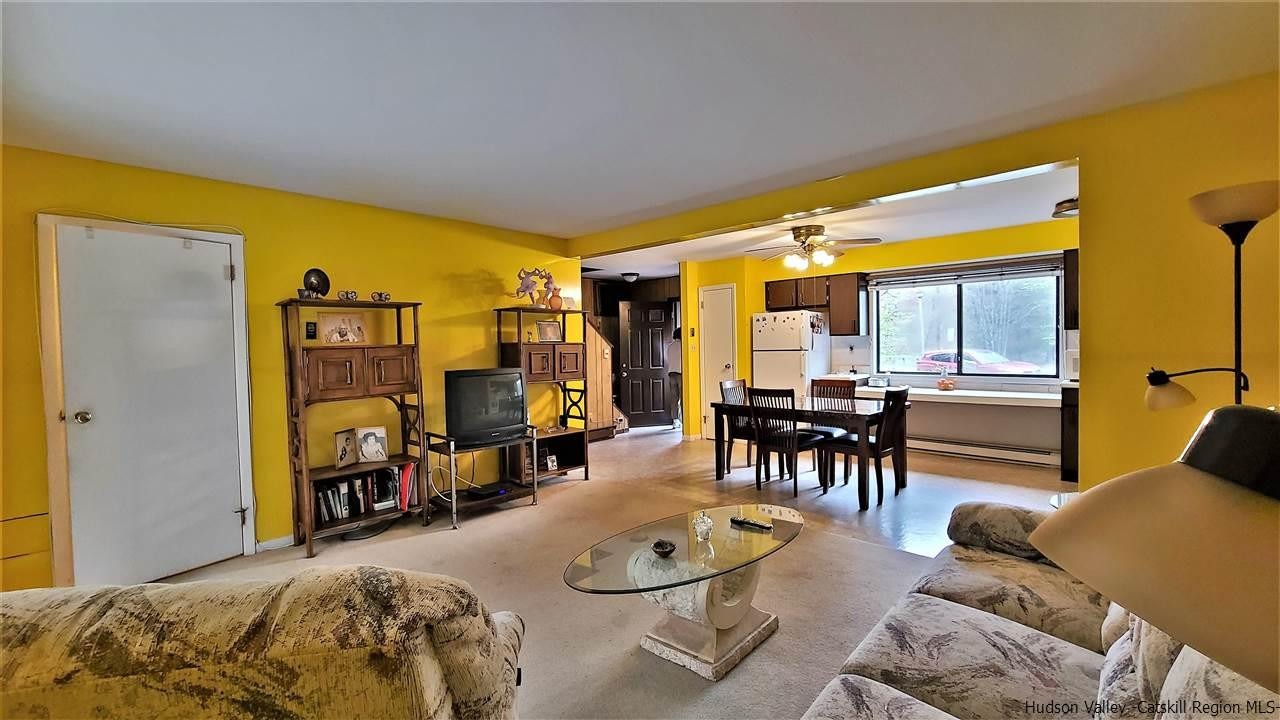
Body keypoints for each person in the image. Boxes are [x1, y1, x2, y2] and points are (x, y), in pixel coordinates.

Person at [667, 327, 682, 429]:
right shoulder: (683, 345)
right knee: (683, 399)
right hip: (681, 373)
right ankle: (685, 421)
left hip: (671, 373)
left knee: (674, 399)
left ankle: (675, 421)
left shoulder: (670, 346)